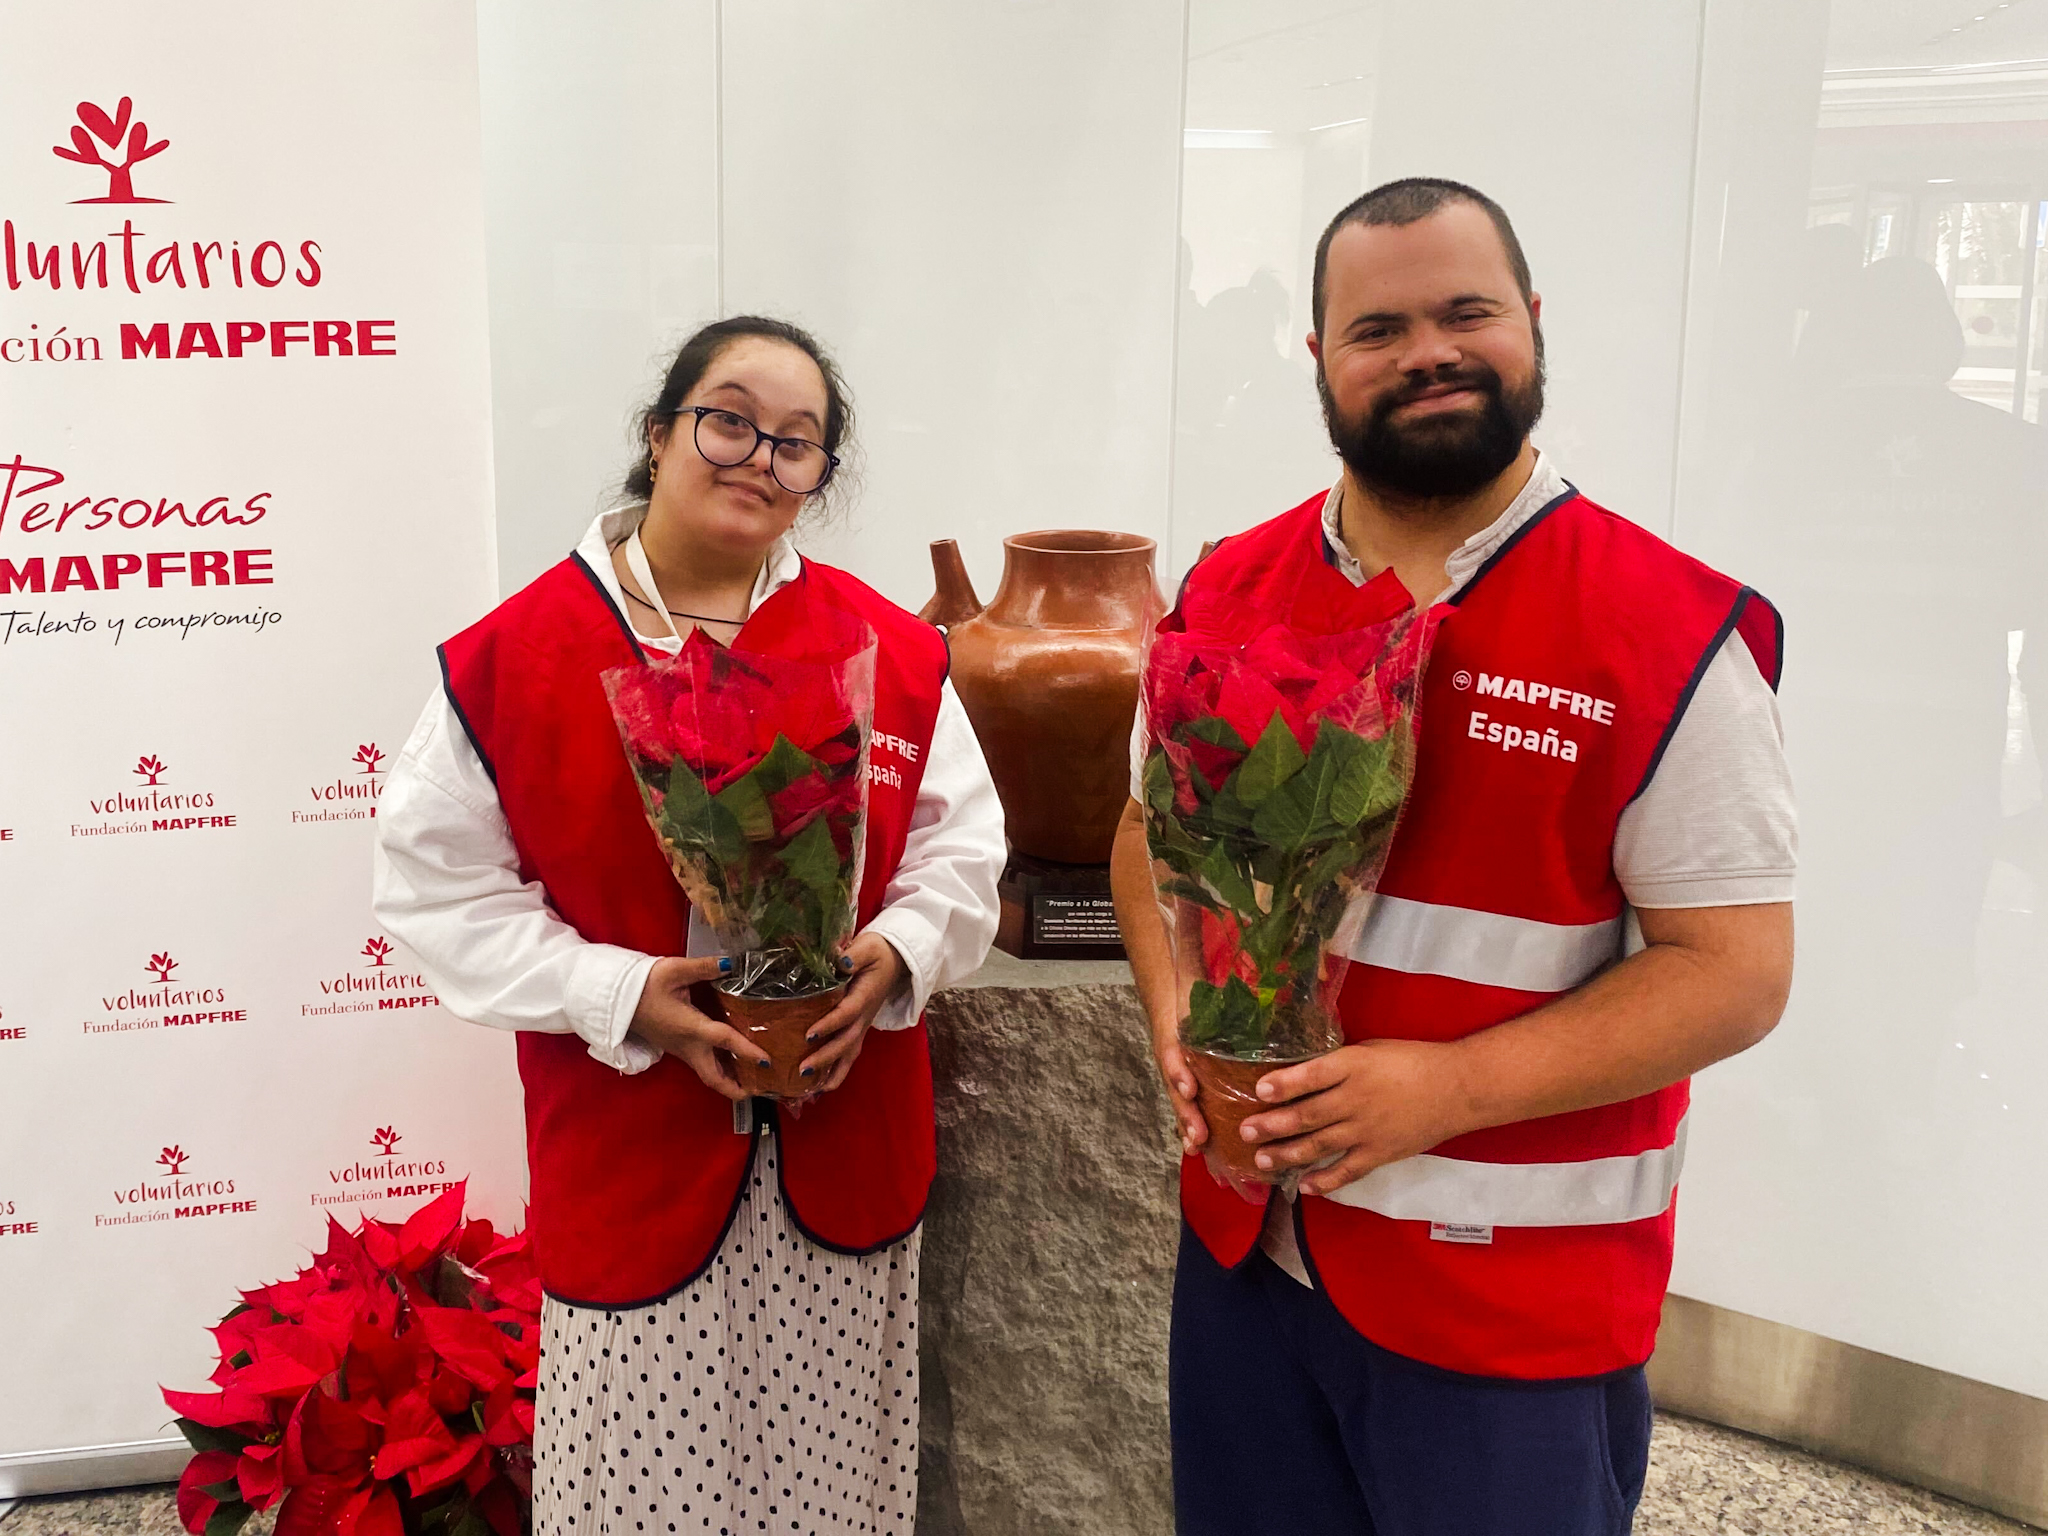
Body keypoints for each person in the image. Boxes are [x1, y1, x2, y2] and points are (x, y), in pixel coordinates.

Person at [1109, 180, 1797, 1535]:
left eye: (1466, 312)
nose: (1427, 349)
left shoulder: (1666, 632)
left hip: (1509, 1312)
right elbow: (1149, 840)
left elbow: (1736, 973)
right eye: (1378, 327)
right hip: (1250, 1270)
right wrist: (1175, 1014)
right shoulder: (1230, 591)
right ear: (1320, 360)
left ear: (1533, 324)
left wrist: (1449, 1088)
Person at [373, 316, 1005, 1533]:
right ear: (658, 435)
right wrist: (615, 995)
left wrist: (897, 957)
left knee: (830, 1487)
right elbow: (436, 889)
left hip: (844, 1150)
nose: (757, 457)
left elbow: (961, 851)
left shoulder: (888, 648)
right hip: (632, 1163)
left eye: (798, 441)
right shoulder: (515, 657)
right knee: (642, 1499)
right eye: (726, 420)